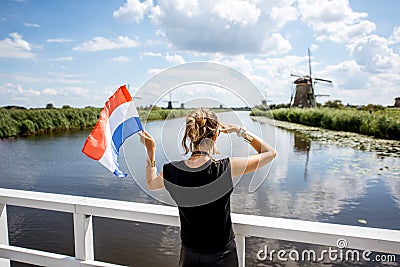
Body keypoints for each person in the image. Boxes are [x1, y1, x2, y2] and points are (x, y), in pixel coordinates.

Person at [139, 108, 276, 267]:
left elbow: (151, 184)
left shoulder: (171, 171)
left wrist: (151, 151)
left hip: (189, 256)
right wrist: (240, 131)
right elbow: (270, 152)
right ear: (216, 135)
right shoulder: (225, 168)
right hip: (222, 256)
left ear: (190, 135)